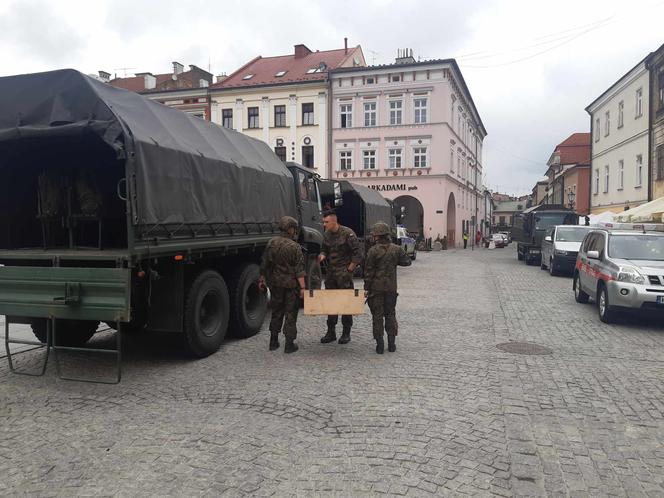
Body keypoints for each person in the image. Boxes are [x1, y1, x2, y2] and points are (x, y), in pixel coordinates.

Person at [259, 216, 306, 353]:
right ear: (291, 229)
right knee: (290, 314)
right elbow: (299, 270)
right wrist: (303, 288)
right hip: (291, 286)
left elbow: (265, 264)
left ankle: (273, 342)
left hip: (275, 284)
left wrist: (262, 279)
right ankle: (289, 344)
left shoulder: (271, 243)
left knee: (276, 311)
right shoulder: (294, 247)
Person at [364, 222, 411, 354]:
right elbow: (407, 262)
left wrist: (366, 288)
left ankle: (379, 345)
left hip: (376, 288)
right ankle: (391, 344)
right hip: (391, 287)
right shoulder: (396, 249)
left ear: (377, 236)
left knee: (377, 316)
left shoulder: (373, 251)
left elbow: (368, 271)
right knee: (390, 314)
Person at [317, 210, 362, 345]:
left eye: (326, 222)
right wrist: (322, 255)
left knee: (346, 304)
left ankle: (346, 333)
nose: (324, 224)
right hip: (331, 275)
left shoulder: (348, 233)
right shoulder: (326, 235)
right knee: (331, 303)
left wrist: (349, 270)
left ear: (334, 221)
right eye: (323, 222)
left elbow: (358, 254)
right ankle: (331, 332)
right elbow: (324, 249)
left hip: (344, 275)